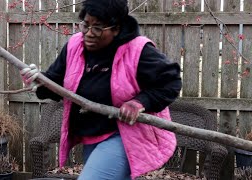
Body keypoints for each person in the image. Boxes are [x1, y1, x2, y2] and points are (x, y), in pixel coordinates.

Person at [20, 0, 182, 179]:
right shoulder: (75, 46)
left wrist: (139, 102)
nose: (89, 33)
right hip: (93, 135)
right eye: (86, 25)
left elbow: (170, 82)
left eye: (97, 28)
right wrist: (39, 80)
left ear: (116, 28)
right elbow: (56, 82)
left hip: (126, 136)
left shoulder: (137, 50)